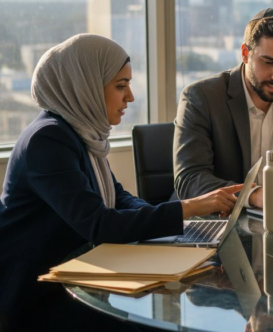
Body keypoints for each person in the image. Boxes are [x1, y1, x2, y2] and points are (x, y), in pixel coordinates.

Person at [0, 34, 242, 331]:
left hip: (81, 277)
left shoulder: (80, 132)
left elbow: (117, 197)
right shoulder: (48, 140)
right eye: (120, 86)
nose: (130, 96)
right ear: (84, 86)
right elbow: (100, 224)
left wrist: (176, 230)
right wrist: (188, 208)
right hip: (39, 297)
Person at [174, 8, 273, 208]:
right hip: (217, 225)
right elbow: (189, 180)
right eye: (268, 62)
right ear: (245, 53)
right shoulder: (201, 97)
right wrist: (255, 195)